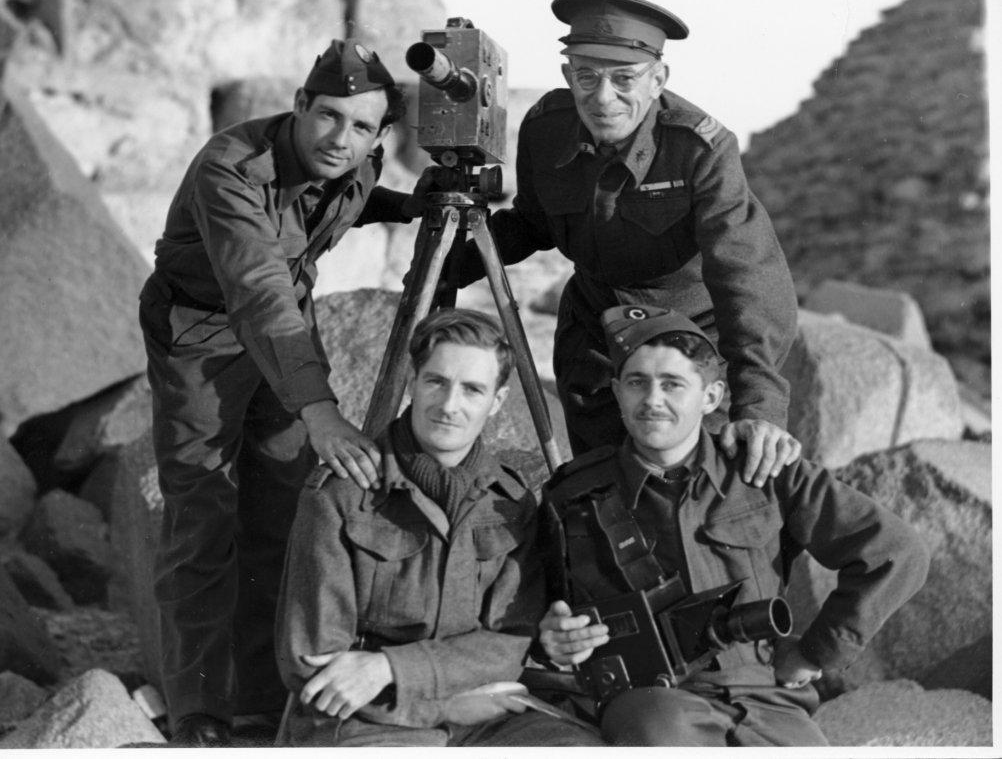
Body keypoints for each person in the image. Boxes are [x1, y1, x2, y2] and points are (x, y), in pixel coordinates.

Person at [138, 38, 433, 746]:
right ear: (299, 105)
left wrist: (413, 207)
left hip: (285, 329)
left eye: (363, 127)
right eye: (329, 117)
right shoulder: (230, 169)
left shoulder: (359, 161)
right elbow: (258, 285)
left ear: (379, 134)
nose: (342, 139)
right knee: (203, 513)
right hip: (202, 335)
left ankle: (265, 693)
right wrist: (320, 408)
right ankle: (199, 709)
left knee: (284, 505)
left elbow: (341, 204)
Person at [535, 304, 931, 746]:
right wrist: (549, 639)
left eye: (672, 384)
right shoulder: (571, 495)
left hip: (765, 695)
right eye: (636, 383)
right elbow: (533, 612)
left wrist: (815, 653)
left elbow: (895, 551)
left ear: (710, 397)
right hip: (652, 698)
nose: (652, 400)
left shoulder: (768, 470)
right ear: (616, 391)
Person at [456, 0, 801, 487]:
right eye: (586, 76)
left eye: (624, 79)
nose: (602, 97)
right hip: (595, 337)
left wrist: (759, 404)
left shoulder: (699, 149)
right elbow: (534, 222)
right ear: (566, 75)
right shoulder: (545, 129)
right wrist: (453, 255)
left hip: (688, 339)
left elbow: (746, 272)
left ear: (657, 79)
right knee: (599, 490)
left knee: (695, 491)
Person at [275, 309, 604, 747]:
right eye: (436, 382)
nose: (450, 406)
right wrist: (442, 706)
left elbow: (510, 642)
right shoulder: (341, 494)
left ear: (498, 401)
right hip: (369, 722)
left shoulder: (510, 502)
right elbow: (313, 663)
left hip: (484, 716)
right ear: (412, 381)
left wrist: (388, 667)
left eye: (472, 390)